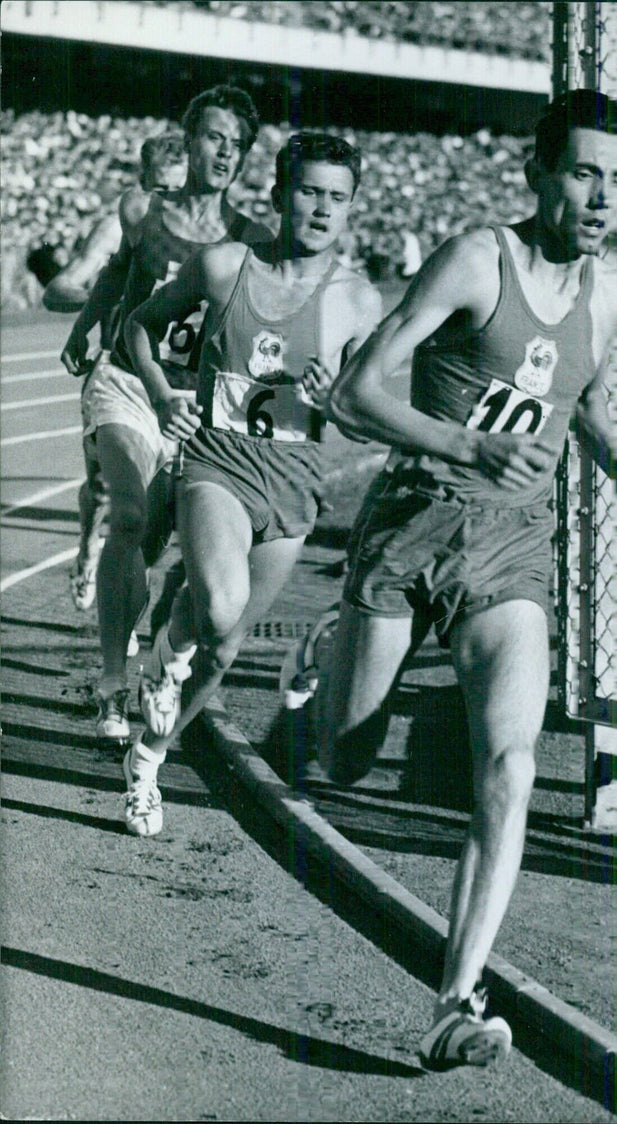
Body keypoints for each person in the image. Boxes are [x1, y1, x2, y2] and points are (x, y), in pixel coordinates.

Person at [322, 89, 617, 1070]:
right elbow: (356, 392)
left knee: (508, 764)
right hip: (409, 530)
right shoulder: (480, 259)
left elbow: (580, 403)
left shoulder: (615, 296)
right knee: (344, 758)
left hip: (511, 550)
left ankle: (453, 996)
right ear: (536, 172)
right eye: (581, 173)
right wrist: (461, 443)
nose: (600, 196)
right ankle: (321, 652)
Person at [122, 131, 382, 837]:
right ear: (278, 195)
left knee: (228, 647)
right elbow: (138, 328)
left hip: (294, 486)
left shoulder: (358, 301)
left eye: (338, 197)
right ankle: (166, 655)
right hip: (217, 463)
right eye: (308, 192)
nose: (322, 209)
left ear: (351, 207)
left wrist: (339, 405)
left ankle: (149, 758)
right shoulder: (223, 266)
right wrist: (160, 391)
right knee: (220, 606)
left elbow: (369, 420)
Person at [59, 86, 270, 744]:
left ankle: (152, 665)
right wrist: (86, 327)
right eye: (213, 136)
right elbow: (115, 273)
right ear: (188, 138)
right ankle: (111, 683)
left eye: (236, 143)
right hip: (127, 381)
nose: (224, 151)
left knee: (148, 545)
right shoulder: (141, 208)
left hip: (194, 409)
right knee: (126, 513)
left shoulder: (252, 240)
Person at [46, 132, 187, 617]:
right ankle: (88, 546)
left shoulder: (209, 227)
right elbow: (63, 285)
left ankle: (123, 599)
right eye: (159, 187)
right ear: (143, 182)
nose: (167, 198)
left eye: (178, 187)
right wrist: (103, 302)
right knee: (107, 491)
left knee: (159, 507)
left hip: (179, 382)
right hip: (122, 375)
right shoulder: (123, 223)